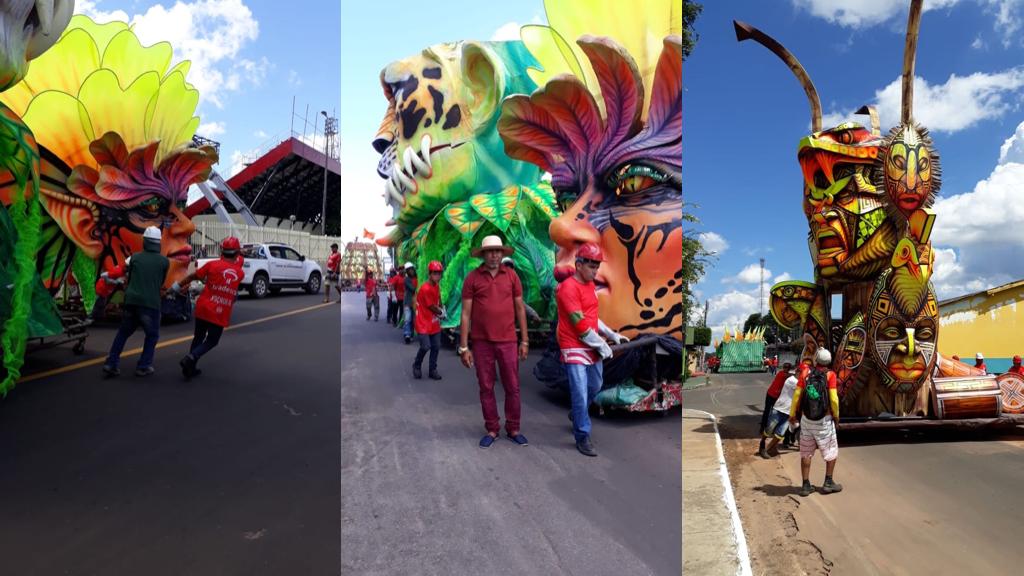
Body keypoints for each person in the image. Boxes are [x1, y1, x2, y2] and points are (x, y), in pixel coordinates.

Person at [555, 242, 627, 457]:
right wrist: (603, 345)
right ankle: (582, 435)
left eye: (597, 266)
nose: (595, 271)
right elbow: (580, 326)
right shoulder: (567, 289)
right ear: (579, 265)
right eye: (592, 266)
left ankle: (578, 413)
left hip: (591, 343)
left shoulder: (590, 286)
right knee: (579, 391)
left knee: (595, 385)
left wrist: (612, 335)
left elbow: (592, 318)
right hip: (573, 345)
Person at [458, 235, 530, 449]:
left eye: (497, 251)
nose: (494, 255)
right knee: (486, 387)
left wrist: (525, 341)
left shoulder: (512, 276)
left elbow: (520, 309)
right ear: (483, 254)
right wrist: (464, 347)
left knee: (513, 387)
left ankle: (514, 428)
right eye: (490, 252)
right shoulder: (472, 278)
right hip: (482, 343)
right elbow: (465, 314)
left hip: (508, 341)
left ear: (502, 253)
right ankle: (492, 428)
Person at [172, 237, 245, 379]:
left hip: (203, 307)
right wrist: (239, 253)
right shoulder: (239, 273)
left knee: (198, 338)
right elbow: (238, 262)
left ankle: (190, 369)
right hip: (219, 311)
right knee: (212, 340)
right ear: (237, 253)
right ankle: (191, 357)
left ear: (221, 251)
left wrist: (175, 288)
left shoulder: (211, 265)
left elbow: (192, 276)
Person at [102, 226, 169, 377]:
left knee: (124, 332)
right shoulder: (164, 262)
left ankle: (111, 363)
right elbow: (161, 283)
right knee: (152, 335)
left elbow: (129, 276)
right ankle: (143, 366)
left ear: (144, 241)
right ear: (158, 243)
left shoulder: (135, 258)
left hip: (131, 301)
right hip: (150, 303)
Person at [789, 348, 842, 497]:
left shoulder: (805, 373)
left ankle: (806, 485)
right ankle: (828, 482)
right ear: (829, 361)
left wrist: (792, 414)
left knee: (806, 452)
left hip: (806, 419)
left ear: (816, 359)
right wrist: (836, 416)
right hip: (824, 421)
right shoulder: (830, 375)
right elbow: (833, 399)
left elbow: (797, 395)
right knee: (831, 450)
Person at [413, 261, 446, 380]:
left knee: (436, 346)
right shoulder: (425, 288)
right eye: (435, 273)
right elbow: (431, 306)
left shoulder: (436, 286)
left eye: (439, 273)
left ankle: (432, 370)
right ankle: (416, 365)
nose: (438, 276)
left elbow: (438, 299)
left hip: (433, 322)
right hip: (423, 323)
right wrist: (442, 313)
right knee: (426, 346)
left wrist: (442, 307)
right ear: (430, 274)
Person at [761, 363, 797, 458]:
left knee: (781, 433)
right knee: (769, 427)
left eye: (787, 368)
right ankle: (762, 442)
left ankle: (767, 449)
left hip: (788, 411)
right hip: (777, 405)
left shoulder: (793, 379)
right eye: (785, 367)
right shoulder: (791, 379)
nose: (785, 369)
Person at [501, 257, 542, 324]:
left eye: (510, 267)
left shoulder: (513, 282)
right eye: (505, 267)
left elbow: (519, 302)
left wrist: (533, 314)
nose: (508, 269)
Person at [402, 262, 417, 343]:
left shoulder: (417, 278)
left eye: (412, 269)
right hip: (408, 302)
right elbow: (413, 289)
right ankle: (407, 334)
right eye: (409, 270)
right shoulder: (406, 279)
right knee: (407, 319)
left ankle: (411, 334)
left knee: (413, 320)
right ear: (407, 271)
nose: (411, 271)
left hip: (415, 303)